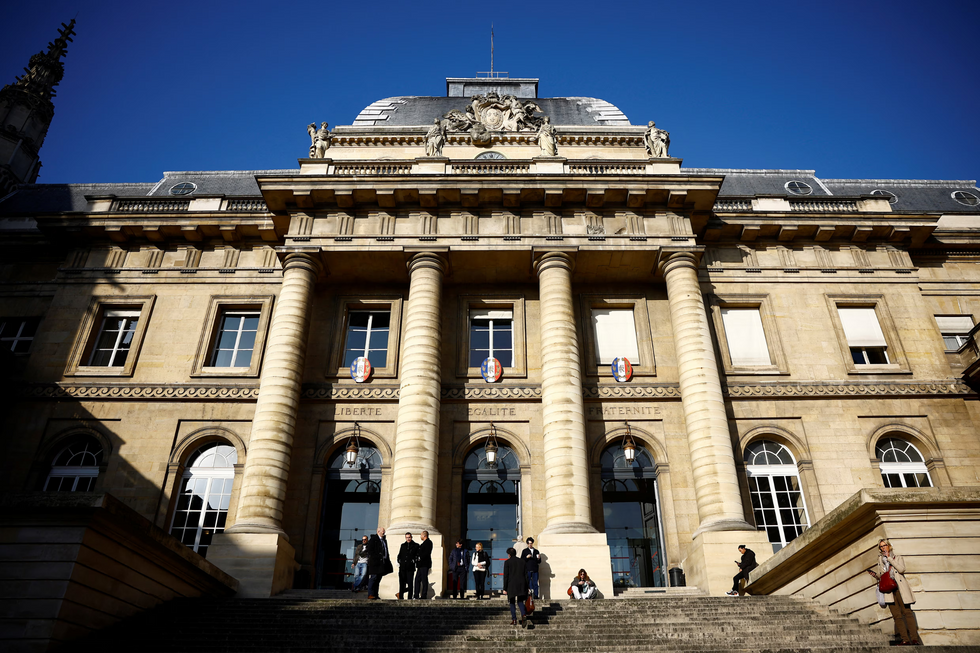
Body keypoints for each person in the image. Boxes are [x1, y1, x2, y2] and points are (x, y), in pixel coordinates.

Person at [867, 539, 920, 645]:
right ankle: (905, 639)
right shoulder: (880, 561)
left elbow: (901, 569)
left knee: (907, 613)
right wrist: (876, 576)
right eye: (881, 547)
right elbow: (883, 576)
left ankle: (914, 639)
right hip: (889, 591)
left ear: (889, 546)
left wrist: (889, 558)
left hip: (900, 588)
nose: (883, 548)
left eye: (884, 546)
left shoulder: (898, 558)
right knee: (896, 615)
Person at [502, 547, 530, 626]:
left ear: (509, 554)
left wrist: (505, 588)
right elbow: (526, 575)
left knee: (512, 602)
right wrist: (527, 586)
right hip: (522, 584)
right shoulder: (522, 561)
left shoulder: (507, 562)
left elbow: (506, 576)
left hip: (512, 584)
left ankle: (514, 619)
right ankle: (523, 614)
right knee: (520, 601)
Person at [366, 526, 392, 600]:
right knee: (373, 578)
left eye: (384, 531)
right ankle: (370, 594)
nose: (383, 532)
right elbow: (370, 550)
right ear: (378, 531)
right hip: (375, 563)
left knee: (378, 579)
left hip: (381, 563)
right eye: (382, 531)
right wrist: (377, 556)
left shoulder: (384, 540)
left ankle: (375, 594)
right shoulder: (373, 539)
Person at [396, 532, 419, 599]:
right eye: (407, 537)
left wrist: (414, 560)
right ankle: (400, 596)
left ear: (411, 537)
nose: (408, 539)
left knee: (410, 583)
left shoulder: (416, 545)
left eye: (409, 537)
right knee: (401, 583)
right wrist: (398, 561)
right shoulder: (403, 545)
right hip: (402, 567)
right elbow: (399, 555)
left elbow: (417, 555)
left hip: (410, 567)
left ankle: (409, 598)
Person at [414, 530, 432, 600]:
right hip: (421, 565)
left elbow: (427, 553)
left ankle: (424, 595)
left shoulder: (428, 543)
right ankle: (416, 595)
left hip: (424, 564)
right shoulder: (423, 543)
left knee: (424, 580)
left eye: (421, 535)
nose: (420, 536)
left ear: (424, 535)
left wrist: (420, 558)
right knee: (417, 579)